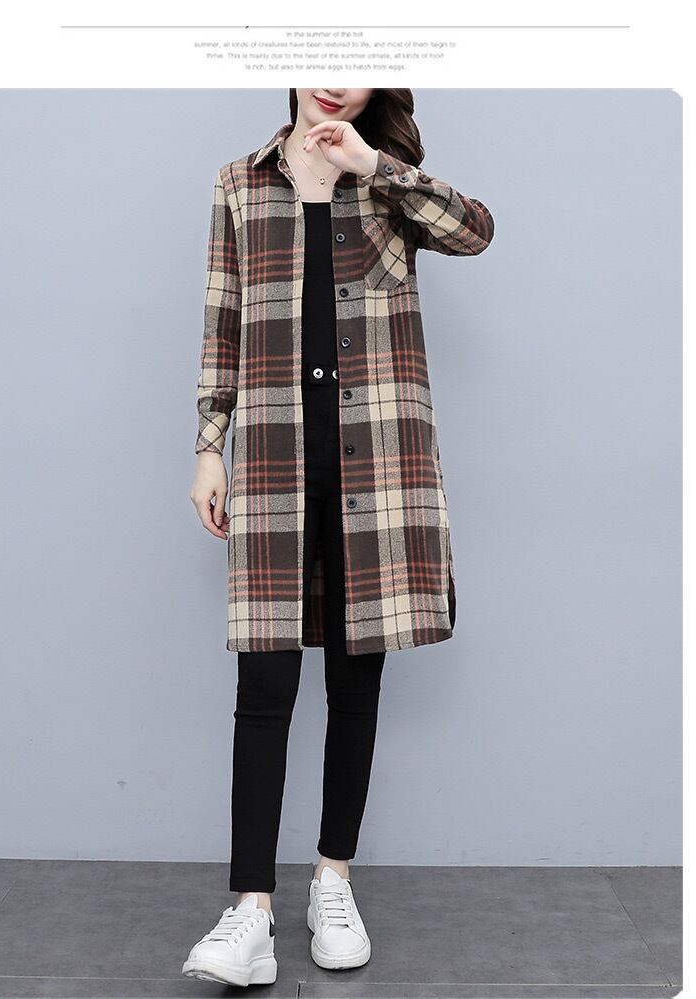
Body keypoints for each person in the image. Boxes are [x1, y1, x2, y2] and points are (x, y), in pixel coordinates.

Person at [183, 88, 495, 988]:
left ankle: (333, 881)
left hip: (379, 458)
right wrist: (209, 446)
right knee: (265, 680)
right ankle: (250, 911)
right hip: (275, 453)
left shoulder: (387, 180)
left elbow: (475, 231)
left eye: (356, 64)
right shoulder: (240, 182)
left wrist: (375, 166)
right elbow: (223, 323)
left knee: (358, 676)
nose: (333, 79)